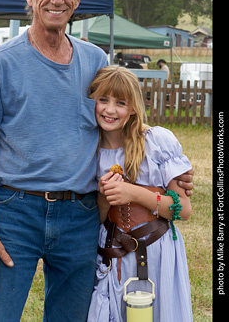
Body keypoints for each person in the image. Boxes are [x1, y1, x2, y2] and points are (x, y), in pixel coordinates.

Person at [0, 0, 194, 322]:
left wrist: (169, 157)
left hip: (81, 214)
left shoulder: (95, 60)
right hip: (14, 212)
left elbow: (118, 116)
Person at [87, 65, 193, 322]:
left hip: (156, 251)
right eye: (103, 100)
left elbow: (183, 210)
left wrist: (132, 193)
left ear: (133, 107)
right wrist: (104, 196)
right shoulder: (90, 149)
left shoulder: (156, 142)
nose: (110, 110)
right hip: (113, 254)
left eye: (120, 103)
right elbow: (98, 218)